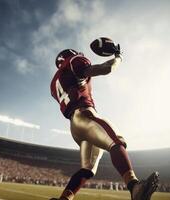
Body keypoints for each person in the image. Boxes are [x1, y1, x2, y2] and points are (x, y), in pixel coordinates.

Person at [49, 47, 159, 200]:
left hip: (74, 126)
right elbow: (106, 68)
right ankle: (134, 186)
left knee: (87, 169)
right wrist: (118, 57)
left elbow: (72, 89)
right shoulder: (74, 62)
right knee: (116, 141)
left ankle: (64, 198)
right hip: (85, 115)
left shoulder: (54, 83)